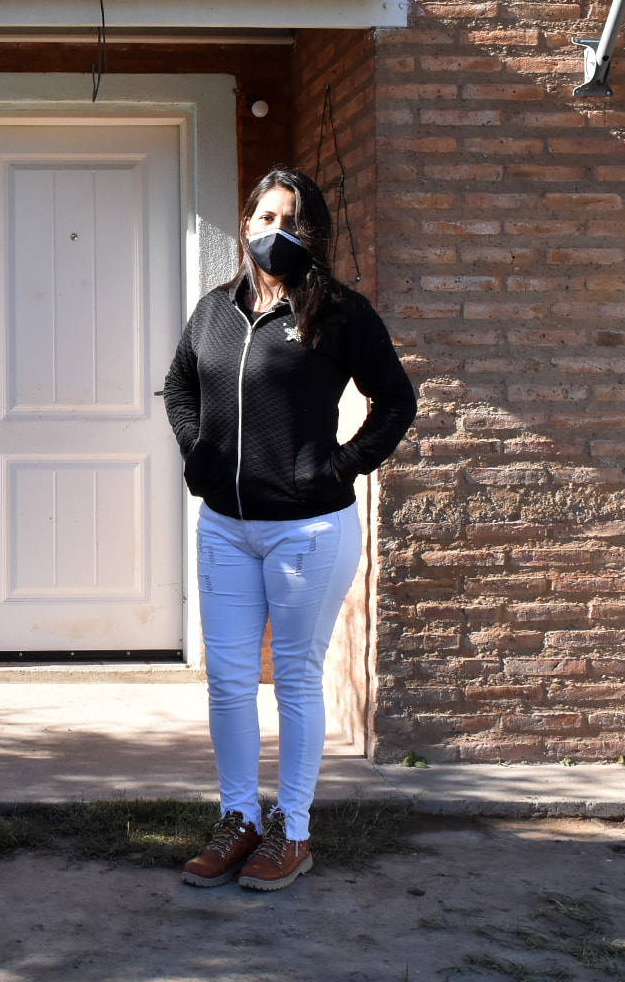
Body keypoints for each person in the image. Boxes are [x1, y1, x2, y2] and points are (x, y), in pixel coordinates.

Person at [162, 166, 416, 893]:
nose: (277, 232)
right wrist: (198, 450)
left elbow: (396, 401)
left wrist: (338, 467)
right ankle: (238, 820)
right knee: (229, 683)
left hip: (308, 531)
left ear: (314, 234)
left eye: (293, 221)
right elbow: (180, 384)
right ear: (246, 223)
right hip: (225, 529)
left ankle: (293, 831)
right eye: (267, 217)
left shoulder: (339, 313)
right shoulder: (215, 310)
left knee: (297, 681)